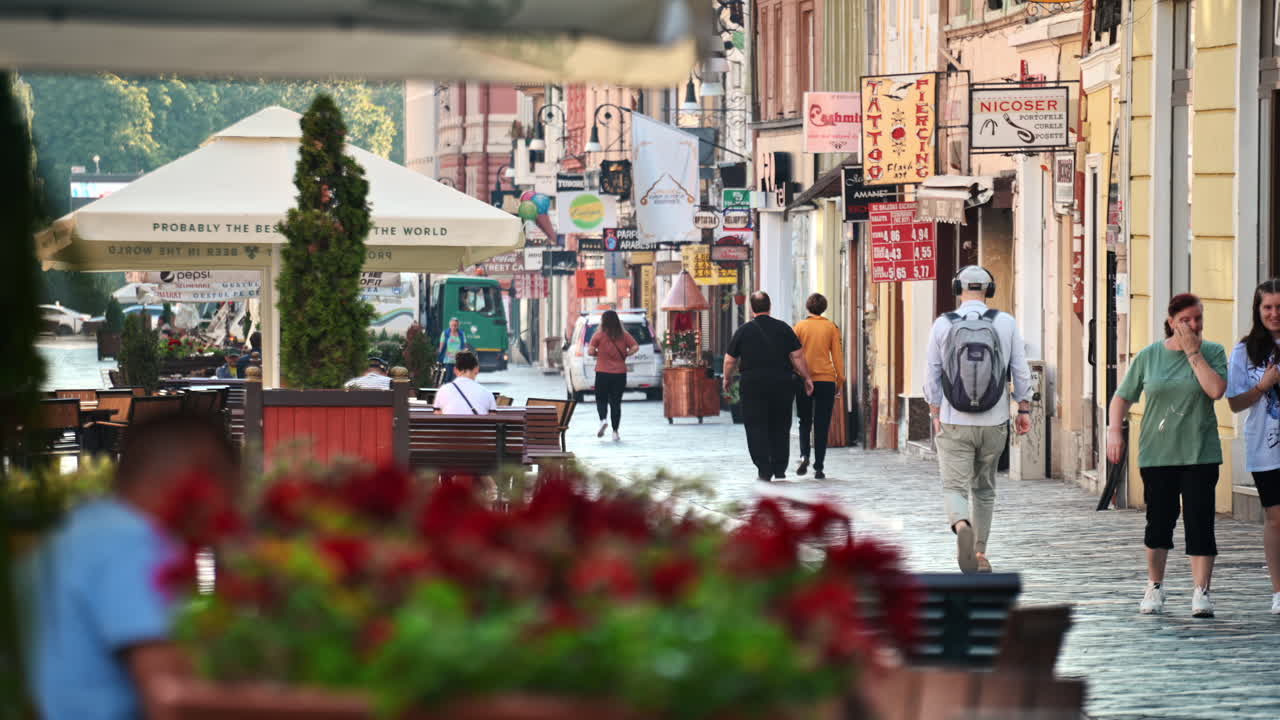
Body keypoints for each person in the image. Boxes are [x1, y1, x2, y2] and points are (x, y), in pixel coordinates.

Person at [17, 412, 241, 720]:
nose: (231, 505)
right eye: (232, 489)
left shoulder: (88, 527)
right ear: (204, 478)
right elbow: (171, 697)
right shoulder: (131, 542)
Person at [1108, 292, 1227, 617]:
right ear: (1171, 322)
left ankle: (1202, 591)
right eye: (1185, 319)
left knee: (1200, 521)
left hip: (1199, 452)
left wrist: (1193, 355)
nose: (1193, 325)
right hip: (1158, 453)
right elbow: (1122, 397)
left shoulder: (1213, 352)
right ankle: (1155, 586)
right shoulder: (1149, 356)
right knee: (1159, 521)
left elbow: (1216, 390)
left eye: (1197, 318)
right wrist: (1114, 431)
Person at [924, 266, 1032, 575]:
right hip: (994, 421)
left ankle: (961, 526)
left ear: (957, 288)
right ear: (990, 289)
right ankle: (980, 552)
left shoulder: (943, 324)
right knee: (984, 489)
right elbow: (1020, 371)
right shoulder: (1006, 323)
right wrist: (1023, 409)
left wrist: (934, 411)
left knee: (954, 487)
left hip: (953, 420)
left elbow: (931, 372)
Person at [1227, 280, 1280, 615]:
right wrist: (1262, 386)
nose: (1274, 314)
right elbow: (1234, 403)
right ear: (1258, 311)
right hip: (1267, 446)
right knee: (1275, 519)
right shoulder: (1245, 351)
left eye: (1279, 307)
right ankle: (1278, 590)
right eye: (1268, 307)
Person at [723, 291, 814, 482]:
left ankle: (764, 469)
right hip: (781, 383)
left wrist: (726, 379)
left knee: (755, 425)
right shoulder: (783, 328)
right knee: (780, 424)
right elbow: (797, 356)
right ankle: (779, 467)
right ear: (769, 306)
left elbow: (730, 360)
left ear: (751, 308)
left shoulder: (743, 330)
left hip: (752, 384)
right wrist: (807, 377)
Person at [793, 293, 845, 479]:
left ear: (808, 308)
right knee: (822, 424)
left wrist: (796, 374)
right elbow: (837, 356)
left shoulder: (799, 327)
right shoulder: (831, 327)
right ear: (824, 308)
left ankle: (804, 454)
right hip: (826, 379)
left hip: (803, 378)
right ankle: (819, 466)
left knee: (804, 421)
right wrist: (840, 380)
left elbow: (793, 354)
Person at [588, 309, 639, 441]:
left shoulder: (598, 335)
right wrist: (626, 354)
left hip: (602, 373)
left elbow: (590, 351)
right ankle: (615, 432)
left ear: (603, 321)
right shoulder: (624, 335)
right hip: (619, 374)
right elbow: (635, 347)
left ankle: (603, 420)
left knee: (601, 399)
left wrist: (598, 354)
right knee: (616, 402)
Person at [435, 350, 497, 415]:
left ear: (455, 370)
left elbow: (437, 415)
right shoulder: (487, 393)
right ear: (476, 369)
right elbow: (492, 416)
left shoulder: (443, 391)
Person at [438, 317, 470, 383]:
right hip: (447, 360)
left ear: (458, 326)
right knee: (447, 378)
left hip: (458, 360)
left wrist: (465, 354)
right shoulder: (445, 333)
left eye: (455, 325)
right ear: (450, 325)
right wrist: (440, 357)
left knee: (456, 379)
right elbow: (441, 346)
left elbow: (465, 345)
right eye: (452, 325)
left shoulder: (461, 334)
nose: (453, 327)